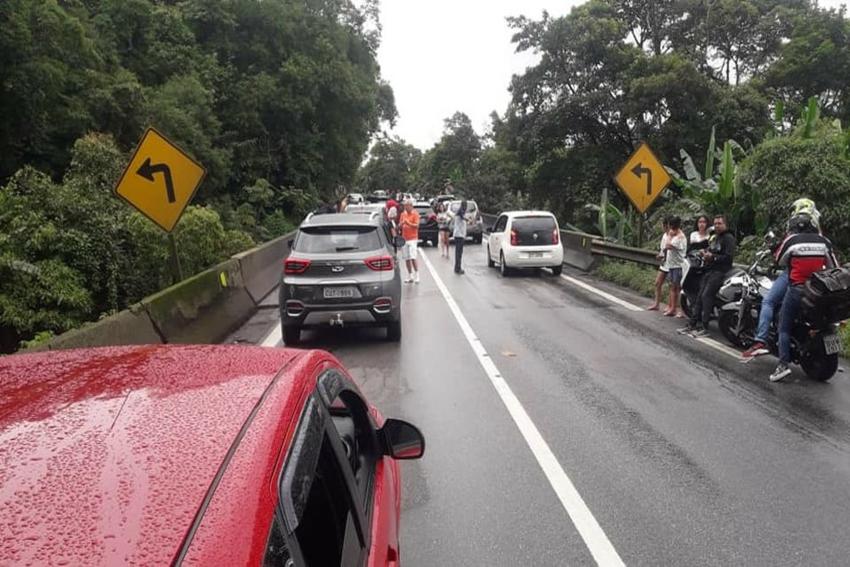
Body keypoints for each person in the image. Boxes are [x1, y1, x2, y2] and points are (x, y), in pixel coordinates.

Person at [741, 200, 823, 361]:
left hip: (794, 274)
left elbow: (781, 259)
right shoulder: (819, 232)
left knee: (768, 301)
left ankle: (761, 340)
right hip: (817, 278)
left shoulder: (795, 227)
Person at [766, 213, 836, 382]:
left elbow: (779, 260)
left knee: (783, 326)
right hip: (821, 292)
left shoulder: (792, 241)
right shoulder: (824, 241)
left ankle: (783, 365)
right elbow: (834, 266)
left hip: (798, 289)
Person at [679, 214, 737, 337]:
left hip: (720, 271)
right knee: (699, 296)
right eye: (715, 223)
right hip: (709, 269)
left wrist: (713, 257)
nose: (717, 226)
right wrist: (704, 252)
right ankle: (693, 323)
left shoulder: (728, 238)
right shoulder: (715, 237)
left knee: (706, 296)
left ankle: (705, 326)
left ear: (725, 224)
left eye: (719, 223)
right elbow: (705, 246)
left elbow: (728, 257)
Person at [664, 216, 688, 317]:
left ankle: (678, 310)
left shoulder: (679, 237)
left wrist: (669, 235)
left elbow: (668, 246)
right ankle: (672, 308)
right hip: (672, 265)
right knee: (673, 287)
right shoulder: (675, 236)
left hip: (678, 266)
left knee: (677, 288)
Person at [647, 218, 671, 311]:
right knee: (657, 283)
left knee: (671, 286)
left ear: (666, 225)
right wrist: (660, 255)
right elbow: (662, 249)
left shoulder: (673, 236)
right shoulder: (664, 235)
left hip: (671, 264)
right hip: (664, 263)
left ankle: (670, 306)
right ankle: (656, 304)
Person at [398, 199, 421, 283]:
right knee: (406, 258)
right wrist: (400, 224)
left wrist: (408, 223)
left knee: (413, 256)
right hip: (405, 238)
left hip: (412, 238)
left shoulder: (415, 214)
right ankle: (410, 275)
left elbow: (417, 225)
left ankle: (417, 275)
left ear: (411, 206)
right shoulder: (402, 214)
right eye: (405, 206)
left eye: (407, 206)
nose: (405, 207)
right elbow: (399, 225)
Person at [450, 201, 468, 274]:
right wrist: (468, 220)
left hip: (459, 235)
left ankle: (457, 267)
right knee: (459, 252)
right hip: (459, 235)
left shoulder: (460, 213)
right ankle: (458, 268)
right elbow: (463, 218)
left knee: (458, 252)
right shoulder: (460, 213)